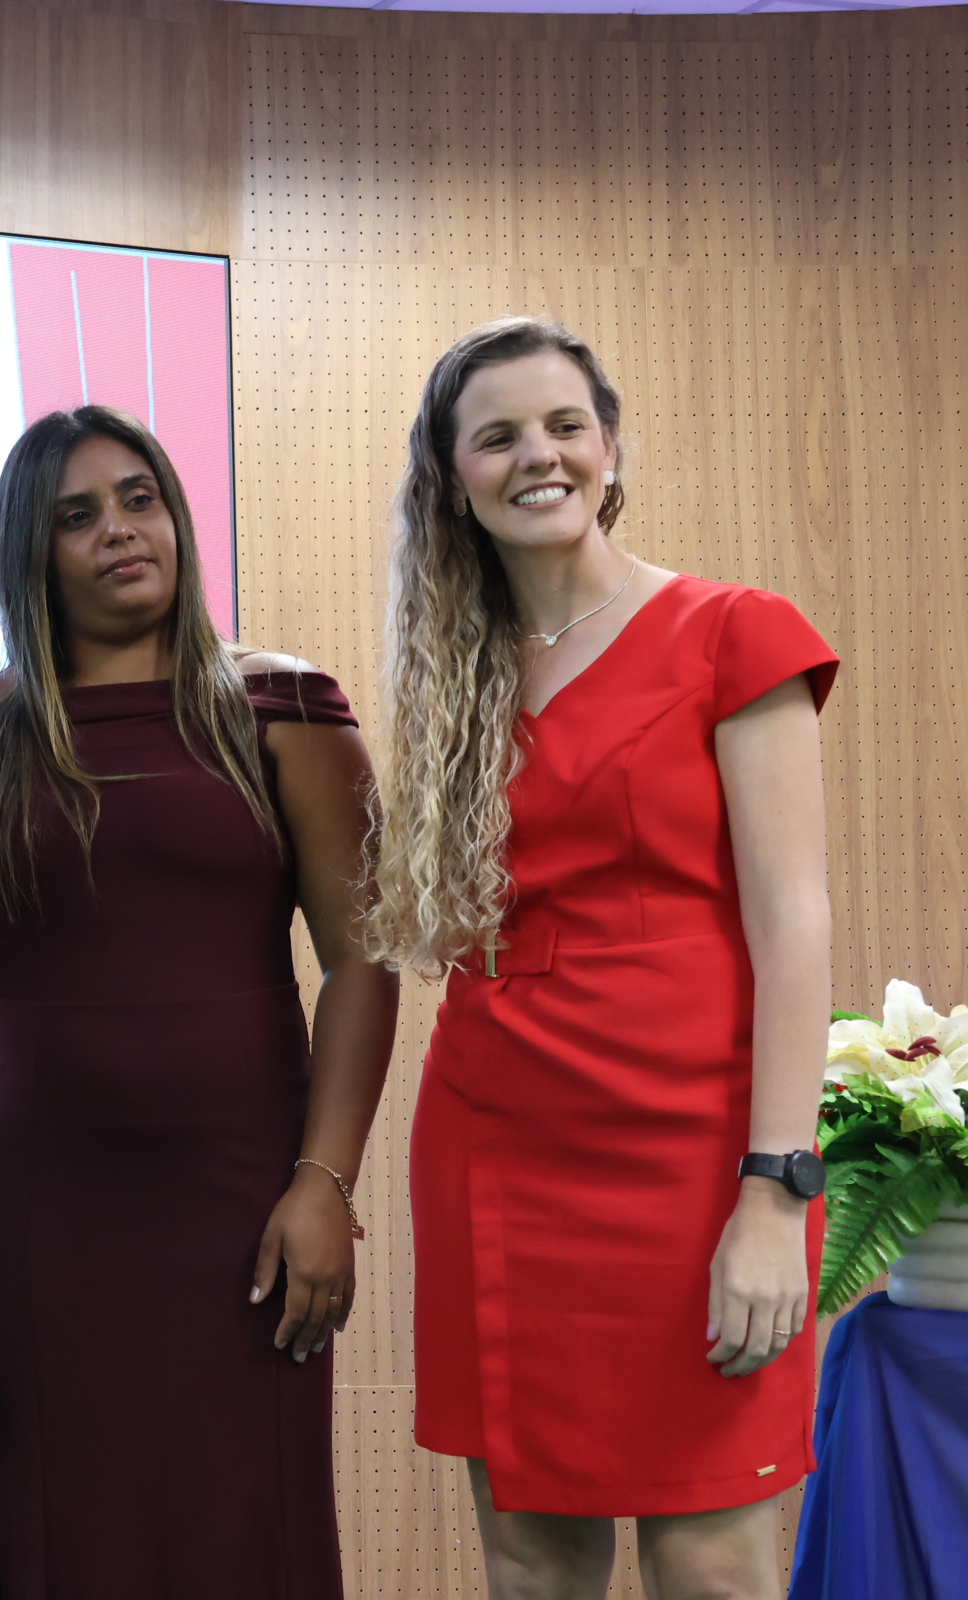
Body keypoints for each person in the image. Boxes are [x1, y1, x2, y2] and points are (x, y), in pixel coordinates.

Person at [370, 318, 836, 1599]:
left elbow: (793, 925)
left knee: (711, 1562)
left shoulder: (734, 632)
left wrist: (775, 1191)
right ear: (452, 476)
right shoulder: (454, 676)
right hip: (495, 1145)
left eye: (565, 425)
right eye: (498, 436)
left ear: (611, 445)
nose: (539, 455)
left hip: (696, 1155)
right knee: (531, 1558)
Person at [0, 406, 396, 1598]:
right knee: (66, 1521)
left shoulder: (283, 706)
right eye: (77, 515)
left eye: (140, 499)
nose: (120, 530)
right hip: (46, 1197)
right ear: (31, 552)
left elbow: (361, 960)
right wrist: (71, 990)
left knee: (249, 1517)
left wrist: (325, 1182)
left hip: (247, 1188)